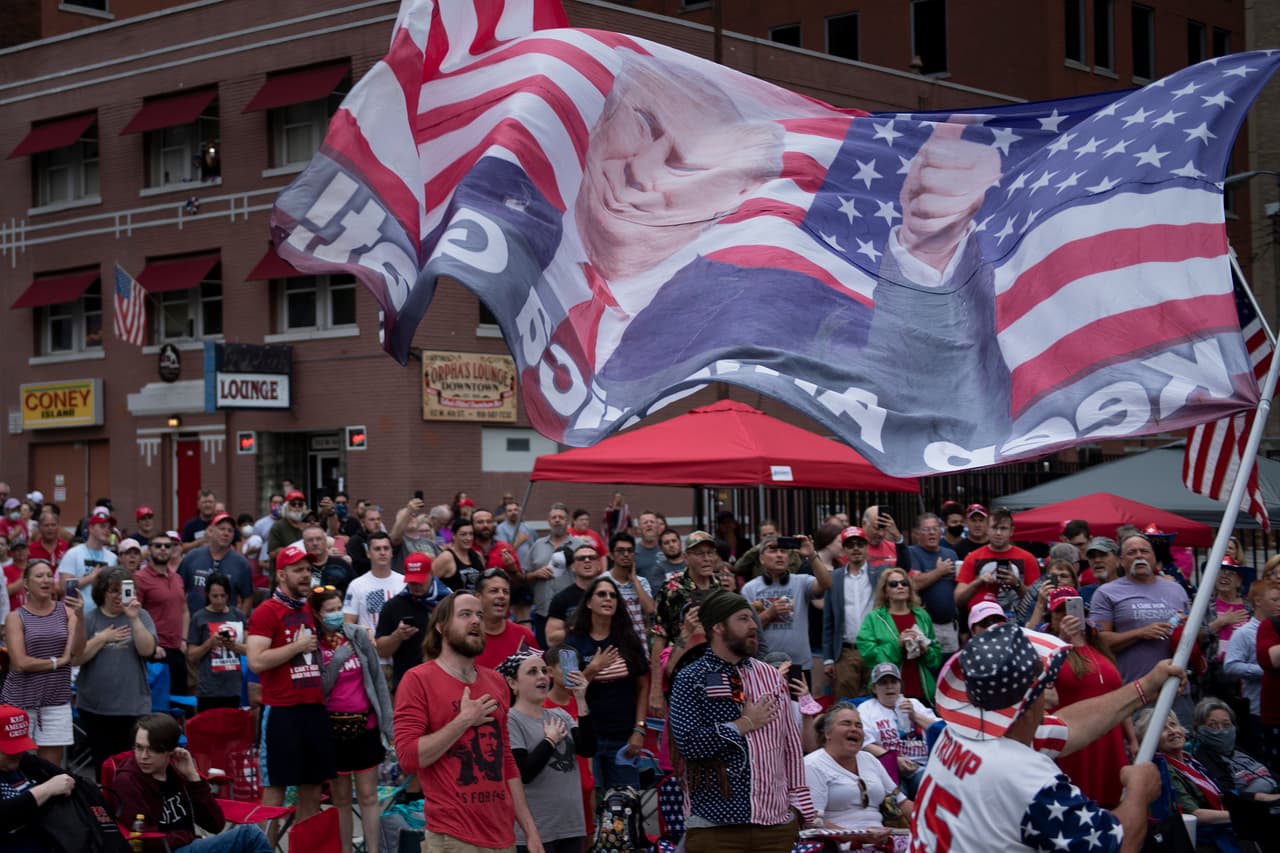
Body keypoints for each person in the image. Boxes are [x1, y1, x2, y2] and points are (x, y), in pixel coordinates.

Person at [917, 622, 1176, 853]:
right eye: (1046, 683)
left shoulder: (963, 731)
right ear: (1030, 705)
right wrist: (1139, 792)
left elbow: (1068, 726)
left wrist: (1145, 687)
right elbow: (1118, 844)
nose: (1050, 689)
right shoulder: (1027, 778)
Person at [392, 592, 544, 852]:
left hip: (503, 836)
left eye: (479, 616)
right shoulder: (417, 680)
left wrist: (530, 832)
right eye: (465, 615)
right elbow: (407, 758)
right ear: (440, 626)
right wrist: (463, 721)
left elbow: (506, 762)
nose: (476, 621)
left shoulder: (496, 682)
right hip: (453, 837)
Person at [668, 589, 817, 852]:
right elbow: (689, 744)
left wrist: (796, 807)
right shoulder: (691, 678)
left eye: (753, 619)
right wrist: (743, 724)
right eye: (743, 619)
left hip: (775, 825)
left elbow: (791, 745)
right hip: (716, 827)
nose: (753, 626)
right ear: (718, 627)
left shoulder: (771, 676)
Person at [245, 543, 335, 833]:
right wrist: (297, 646)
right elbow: (256, 661)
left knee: (311, 792)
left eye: (308, 570)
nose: (306, 575)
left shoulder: (309, 608)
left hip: (313, 708)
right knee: (274, 793)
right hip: (282, 712)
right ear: (281, 575)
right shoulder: (266, 612)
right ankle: (261, 848)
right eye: (298, 570)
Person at [112, 713, 272, 853]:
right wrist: (191, 838)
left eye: (152, 749)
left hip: (188, 845)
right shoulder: (128, 781)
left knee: (249, 839)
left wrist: (193, 777)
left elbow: (215, 825)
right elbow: (145, 838)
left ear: (170, 750)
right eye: (139, 748)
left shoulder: (174, 772)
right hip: (169, 849)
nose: (143, 756)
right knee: (249, 835)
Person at [312, 587, 393, 853]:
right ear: (317, 614)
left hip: (365, 727)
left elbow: (378, 681)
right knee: (342, 798)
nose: (336, 615)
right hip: (333, 730)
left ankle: (372, 849)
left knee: (369, 796)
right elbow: (320, 689)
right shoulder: (312, 644)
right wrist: (336, 661)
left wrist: (388, 724)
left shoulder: (357, 635)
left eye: (339, 609)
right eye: (330, 611)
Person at [502, 650, 597, 853]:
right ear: (513, 683)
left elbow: (588, 749)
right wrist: (549, 741)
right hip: (537, 831)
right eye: (532, 672)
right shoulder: (510, 720)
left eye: (544, 671)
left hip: (571, 825)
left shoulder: (560, 714)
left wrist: (580, 699)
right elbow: (524, 773)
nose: (542, 677)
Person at [1044, 586, 1129, 809]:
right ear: (1051, 618)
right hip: (1073, 740)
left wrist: (1134, 740)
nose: (1067, 616)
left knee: (1112, 803)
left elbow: (1118, 697)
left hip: (1110, 739)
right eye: (1059, 611)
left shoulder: (1099, 647)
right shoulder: (1048, 650)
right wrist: (1062, 640)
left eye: (1071, 609)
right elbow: (1042, 687)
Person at [1090, 533, 1191, 719]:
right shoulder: (1106, 593)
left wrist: (1187, 629)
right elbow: (1098, 641)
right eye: (1131, 552)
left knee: (1180, 745)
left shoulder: (1176, 589)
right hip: (1133, 691)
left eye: (1144, 551)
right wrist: (1140, 633)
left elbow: (1196, 635)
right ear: (1121, 561)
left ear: (1154, 558)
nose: (1139, 556)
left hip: (1176, 689)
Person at [563, 575, 650, 789]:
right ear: (589, 602)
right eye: (601, 594)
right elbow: (567, 691)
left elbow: (643, 686)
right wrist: (593, 668)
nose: (608, 599)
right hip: (588, 739)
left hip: (624, 738)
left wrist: (639, 729)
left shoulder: (629, 640)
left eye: (613, 595)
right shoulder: (573, 642)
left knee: (626, 806)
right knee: (594, 807)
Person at [1, 559, 83, 767]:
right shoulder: (15, 617)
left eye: (49, 575)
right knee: (14, 766)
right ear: (26, 583)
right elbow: (19, 662)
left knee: (51, 770)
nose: (46, 580)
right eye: (39, 576)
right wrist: (57, 662)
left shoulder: (67, 612)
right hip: (20, 701)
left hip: (56, 700)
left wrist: (80, 616)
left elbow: (77, 651)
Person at [77, 567, 158, 773]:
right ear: (102, 592)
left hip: (132, 706)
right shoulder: (89, 618)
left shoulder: (141, 616)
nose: (118, 596)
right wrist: (102, 638)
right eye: (113, 590)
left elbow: (147, 649)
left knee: (131, 767)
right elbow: (77, 657)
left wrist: (133, 618)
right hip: (96, 707)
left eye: (123, 590)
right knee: (103, 766)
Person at [804, 701, 912, 843]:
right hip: (837, 846)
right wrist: (859, 838)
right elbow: (813, 822)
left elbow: (901, 803)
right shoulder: (812, 764)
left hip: (881, 841)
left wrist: (934, 820)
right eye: (846, 723)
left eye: (858, 725)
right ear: (827, 733)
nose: (854, 729)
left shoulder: (869, 759)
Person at [741, 533, 831, 685]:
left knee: (798, 708)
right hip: (764, 665)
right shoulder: (750, 589)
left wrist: (811, 555)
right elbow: (745, 629)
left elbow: (826, 583)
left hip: (799, 665)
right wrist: (770, 614)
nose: (779, 555)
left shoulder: (801, 582)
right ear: (761, 559)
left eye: (783, 551)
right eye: (773, 550)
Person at [649, 530, 719, 715]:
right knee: (683, 731)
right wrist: (656, 689)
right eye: (699, 553)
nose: (706, 559)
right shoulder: (672, 588)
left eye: (710, 553)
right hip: (681, 668)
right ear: (686, 557)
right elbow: (659, 638)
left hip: (717, 672)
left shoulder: (720, 586)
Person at [1133, 709, 1233, 834]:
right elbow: (1195, 814)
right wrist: (1240, 817)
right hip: (1204, 835)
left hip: (1222, 823)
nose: (1172, 731)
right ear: (1150, 740)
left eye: (1173, 724)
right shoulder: (1162, 769)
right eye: (1162, 729)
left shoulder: (1190, 759)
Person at [856, 567, 942, 706]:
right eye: (893, 584)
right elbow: (868, 655)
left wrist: (925, 649)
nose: (900, 586)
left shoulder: (922, 615)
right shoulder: (874, 618)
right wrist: (897, 645)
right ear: (885, 591)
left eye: (904, 583)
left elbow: (936, 656)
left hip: (922, 688)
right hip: (888, 690)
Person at [822, 526, 888, 702]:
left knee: (878, 701)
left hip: (875, 647)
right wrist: (828, 658)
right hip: (846, 651)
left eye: (860, 544)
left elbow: (905, 565)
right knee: (845, 705)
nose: (856, 548)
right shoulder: (834, 578)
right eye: (850, 545)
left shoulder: (880, 573)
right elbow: (828, 621)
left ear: (866, 547)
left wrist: (899, 541)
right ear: (844, 550)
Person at [0, 705, 78, 852]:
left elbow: (68, 778)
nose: (17, 754)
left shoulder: (23, 761)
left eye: (20, 746)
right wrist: (46, 790)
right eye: (10, 750)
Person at [858, 662, 937, 799]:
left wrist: (914, 715)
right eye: (883, 683)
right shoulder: (866, 709)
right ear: (875, 688)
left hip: (920, 766)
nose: (889, 686)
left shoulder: (914, 704)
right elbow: (865, 744)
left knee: (932, 787)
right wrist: (894, 759)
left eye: (894, 682)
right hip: (887, 769)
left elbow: (940, 730)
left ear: (900, 685)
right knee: (896, 799)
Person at [374, 556, 450, 691]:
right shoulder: (394, 606)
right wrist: (397, 636)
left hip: (445, 676)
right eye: (412, 582)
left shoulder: (448, 601)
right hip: (408, 682)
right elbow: (381, 651)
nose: (416, 586)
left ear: (430, 574)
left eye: (420, 581)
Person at [1191, 697, 1280, 810]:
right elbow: (1227, 794)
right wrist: (1265, 798)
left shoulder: (1237, 750)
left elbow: (1271, 774)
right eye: (1213, 726)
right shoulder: (1204, 756)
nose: (1222, 730)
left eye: (1226, 725)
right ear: (1199, 729)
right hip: (1257, 809)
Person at [133, 531, 191, 696]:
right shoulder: (139, 578)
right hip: (154, 652)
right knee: (156, 708)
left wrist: (184, 640)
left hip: (177, 650)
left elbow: (185, 610)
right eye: (158, 546)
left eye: (168, 546)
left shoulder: (178, 578)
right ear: (149, 549)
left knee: (179, 704)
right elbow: (133, 614)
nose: (163, 549)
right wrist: (152, 646)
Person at [1225, 579, 1279, 756]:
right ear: (1258, 601)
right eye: (1275, 600)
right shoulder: (1243, 633)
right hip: (1256, 708)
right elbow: (1231, 666)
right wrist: (1264, 671)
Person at [953, 507, 1039, 615]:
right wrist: (978, 582)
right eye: (994, 528)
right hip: (983, 623)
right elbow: (958, 600)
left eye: (1003, 528)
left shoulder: (1028, 558)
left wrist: (1016, 584)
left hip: (1018, 623)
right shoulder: (973, 557)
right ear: (987, 529)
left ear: (1011, 531)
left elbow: (1037, 601)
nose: (998, 533)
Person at [187, 573, 248, 713]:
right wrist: (209, 644)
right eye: (215, 596)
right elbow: (191, 656)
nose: (219, 600)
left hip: (233, 687)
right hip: (209, 689)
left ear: (228, 595)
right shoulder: (199, 617)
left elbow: (250, 648)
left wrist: (234, 646)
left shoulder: (237, 615)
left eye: (223, 596)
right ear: (207, 594)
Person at [342, 532, 406, 665]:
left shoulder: (404, 583)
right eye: (377, 549)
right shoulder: (356, 585)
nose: (382, 552)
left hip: (402, 658)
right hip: (372, 661)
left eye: (386, 548)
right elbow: (348, 624)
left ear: (392, 552)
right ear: (368, 553)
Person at [178, 512, 254, 616]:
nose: (226, 533)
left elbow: (248, 597)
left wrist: (240, 622)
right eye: (221, 529)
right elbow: (178, 590)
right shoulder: (192, 557)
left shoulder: (241, 563)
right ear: (211, 531)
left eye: (230, 530)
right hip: (194, 624)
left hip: (226, 626)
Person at [907, 513, 961, 654]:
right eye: (926, 529)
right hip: (926, 626)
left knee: (949, 671)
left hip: (950, 625)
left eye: (935, 529)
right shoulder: (912, 553)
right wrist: (939, 572)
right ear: (917, 533)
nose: (932, 533)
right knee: (929, 669)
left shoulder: (951, 554)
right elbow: (914, 583)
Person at [56, 505, 118, 615]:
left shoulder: (112, 558)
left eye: (109, 527)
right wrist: (91, 577)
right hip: (76, 616)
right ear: (91, 528)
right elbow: (63, 586)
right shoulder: (73, 553)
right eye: (102, 526)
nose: (107, 530)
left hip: (104, 617)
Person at [546, 541, 605, 647]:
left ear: (599, 565)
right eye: (581, 558)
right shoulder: (561, 599)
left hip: (607, 655)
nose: (587, 561)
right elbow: (551, 639)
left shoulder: (610, 594)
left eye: (591, 558)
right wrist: (577, 628)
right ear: (573, 567)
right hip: (572, 657)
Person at [475, 569, 538, 669]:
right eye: (494, 591)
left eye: (506, 592)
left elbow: (537, 675)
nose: (501, 596)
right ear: (478, 597)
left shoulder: (524, 636)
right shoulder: (467, 636)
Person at [1019, 558, 1079, 629]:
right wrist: (1040, 604)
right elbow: (1030, 633)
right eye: (1053, 577)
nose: (1058, 580)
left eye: (1063, 576)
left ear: (1073, 582)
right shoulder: (1036, 600)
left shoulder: (1080, 600)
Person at [431, 517, 486, 593]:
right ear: (453, 535)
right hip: (453, 603)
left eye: (471, 534)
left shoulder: (477, 555)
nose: (468, 538)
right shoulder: (446, 557)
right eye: (463, 534)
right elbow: (429, 583)